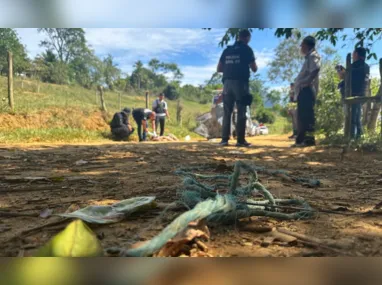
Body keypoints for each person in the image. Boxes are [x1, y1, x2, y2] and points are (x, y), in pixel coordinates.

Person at [217, 29, 258, 147]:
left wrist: (231, 67)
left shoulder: (227, 50)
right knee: (241, 111)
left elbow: (219, 69)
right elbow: (254, 68)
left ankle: (224, 140)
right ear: (247, 38)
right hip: (241, 84)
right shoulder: (247, 49)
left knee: (227, 112)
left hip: (227, 84)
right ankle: (240, 141)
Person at [293, 36, 321, 147]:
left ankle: (309, 141)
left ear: (307, 45)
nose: (301, 47)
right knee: (302, 115)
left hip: (307, 90)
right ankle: (300, 140)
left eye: (302, 44)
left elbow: (315, 69)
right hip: (303, 90)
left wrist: (306, 82)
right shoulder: (308, 57)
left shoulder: (313, 56)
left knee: (307, 115)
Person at [350, 47, 370, 139]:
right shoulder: (366, 66)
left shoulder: (356, 65)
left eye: (353, 53)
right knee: (357, 117)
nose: (352, 55)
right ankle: (359, 136)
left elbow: (350, 78)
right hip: (362, 93)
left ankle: (352, 138)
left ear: (357, 54)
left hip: (354, 94)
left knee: (352, 117)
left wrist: (343, 72)